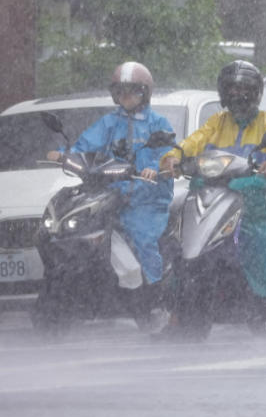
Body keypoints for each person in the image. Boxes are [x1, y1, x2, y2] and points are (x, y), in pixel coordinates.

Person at [159, 60, 266, 335]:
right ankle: (174, 318)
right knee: (182, 245)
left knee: (264, 243)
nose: (237, 95)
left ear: (255, 92)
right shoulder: (216, 122)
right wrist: (175, 156)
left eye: (244, 89)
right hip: (214, 192)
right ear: (223, 93)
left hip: (256, 198)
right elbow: (194, 141)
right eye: (231, 89)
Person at [46, 62, 174, 314]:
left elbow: (168, 154)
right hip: (112, 195)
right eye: (121, 91)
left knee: (143, 239)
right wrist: (62, 155)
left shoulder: (158, 123)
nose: (126, 97)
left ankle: (155, 295)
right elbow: (85, 146)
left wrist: (154, 168)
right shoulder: (109, 123)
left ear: (145, 93)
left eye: (132, 91)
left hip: (147, 199)